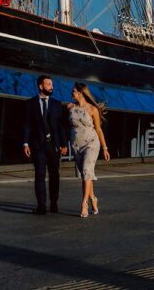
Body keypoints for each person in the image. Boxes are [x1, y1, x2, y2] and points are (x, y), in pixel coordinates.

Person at [22, 75, 69, 214]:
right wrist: (25, 143)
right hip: (37, 145)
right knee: (40, 174)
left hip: (53, 146)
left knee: (54, 174)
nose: (51, 86)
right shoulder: (30, 104)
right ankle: (41, 206)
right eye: (48, 84)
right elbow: (27, 125)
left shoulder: (56, 104)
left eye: (52, 84)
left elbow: (61, 126)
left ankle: (54, 203)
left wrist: (64, 144)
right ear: (41, 86)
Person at [68, 82, 110, 217]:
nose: (71, 93)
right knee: (86, 175)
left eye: (73, 91)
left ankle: (84, 203)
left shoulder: (93, 109)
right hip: (76, 145)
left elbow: (98, 129)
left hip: (91, 144)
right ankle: (93, 198)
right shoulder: (70, 107)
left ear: (80, 93)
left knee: (86, 171)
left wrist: (105, 147)